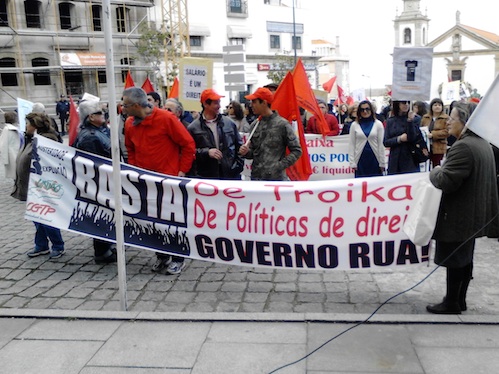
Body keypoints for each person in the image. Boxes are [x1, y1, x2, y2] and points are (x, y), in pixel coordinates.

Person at [426, 102, 499, 314]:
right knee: (465, 258)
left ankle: (451, 302)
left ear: (466, 123)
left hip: (460, 214)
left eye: (453, 119)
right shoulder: (482, 143)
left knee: (455, 258)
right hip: (474, 213)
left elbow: (445, 181)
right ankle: (460, 300)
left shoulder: (463, 147)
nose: (448, 122)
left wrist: (435, 170)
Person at [123, 87, 195, 275]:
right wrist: (134, 169)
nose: (123, 108)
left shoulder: (166, 119)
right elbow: (130, 148)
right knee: (151, 222)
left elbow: (188, 144)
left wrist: (181, 171)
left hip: (168, 182)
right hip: (145, 183)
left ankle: (178, 258)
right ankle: (162, 256)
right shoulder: (130, 123)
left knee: (172, 222)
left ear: (137, 105)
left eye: (126, 105)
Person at [12, 112, 65, 259]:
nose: (26, 126)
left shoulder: (46, 140)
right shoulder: (30, 138)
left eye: (28, 123)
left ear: (35, 125)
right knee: (37, 217)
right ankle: (41, 245)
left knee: (46, 218)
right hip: (30, 185)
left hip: (42, 186)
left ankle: (57, 245)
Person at [73, 100, 117, 264]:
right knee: (101, 216)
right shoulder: (90, 137)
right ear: (91, 117)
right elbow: (94, 166)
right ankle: (102, 251)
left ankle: (106, 246)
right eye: (100, 113)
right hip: (99, 184)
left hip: (104, 182)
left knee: (105, 215)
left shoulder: (97, 132)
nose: (103, 114)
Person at [238, 87, 302, 181]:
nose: (251, 105)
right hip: (257, 178)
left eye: (254, 102)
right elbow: (253, 153)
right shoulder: (255, 125)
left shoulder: (282, 124)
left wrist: (278, 166)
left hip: (276, 180)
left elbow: (297, 150)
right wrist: (246, 152)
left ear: (264, 103)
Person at [188, 89, 244, 180]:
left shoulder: (229, 123)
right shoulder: (193, 128)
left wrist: (237, 167)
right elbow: (189, 152)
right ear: (206, 104)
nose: (219, 106)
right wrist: (207, 152)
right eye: (216, 103)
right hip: (206, 176)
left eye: (219, 102)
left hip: (230, 175)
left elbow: (239, 147)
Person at [348, 100, 385, 177]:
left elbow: (381, 144)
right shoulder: (354, 125)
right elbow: (352, 144)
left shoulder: (378, 124)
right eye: (362, 110)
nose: (365, 111)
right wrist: (352, 162)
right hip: (360, 160)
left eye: (367, 109)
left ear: (371, 110)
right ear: (359, 112)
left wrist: (382, 162)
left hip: (375, 160)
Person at [383, 100, 422, 175]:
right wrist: (399, 139)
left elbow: (412, 137)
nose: (406, 105)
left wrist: (410, 121)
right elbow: (386, 142)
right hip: (395, 159)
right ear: (398, 104)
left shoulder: (416, 119)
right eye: (404, 103)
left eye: (408, 102)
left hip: (411, 158)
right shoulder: (390, 121)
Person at [421, 98, 449, 168]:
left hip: (439, 147)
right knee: (425, 166)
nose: (437, 107)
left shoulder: (446, 118)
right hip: (426, 146)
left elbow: (447, 131)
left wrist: (433, 134)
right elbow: (421, 129)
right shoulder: (425, 117)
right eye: (435, 105)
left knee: (437, 166)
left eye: (439, 105)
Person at [0, 111, 22, 179]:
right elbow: (3, 145)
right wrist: (5, 160)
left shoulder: (16, 128)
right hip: (12, 155)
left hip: (17, 153)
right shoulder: (7, 129)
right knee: (16, 174)